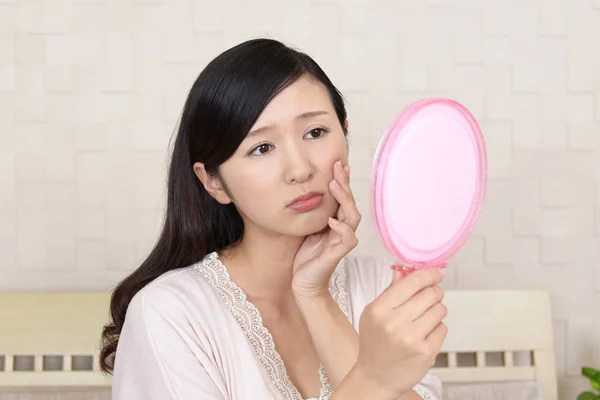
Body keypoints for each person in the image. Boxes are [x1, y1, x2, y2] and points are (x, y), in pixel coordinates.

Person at [100, 38, 447, 400]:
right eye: (261, 148)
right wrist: (372, 381)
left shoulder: (376, 287)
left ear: (345, 133)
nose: (300, 169)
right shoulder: (170, 314)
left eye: (315, 132)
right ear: (214, 182)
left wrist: (315, 297)